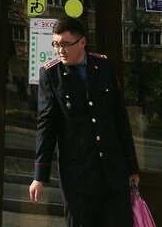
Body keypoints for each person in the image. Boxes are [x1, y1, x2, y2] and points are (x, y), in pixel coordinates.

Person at [29, 16, 140, 227]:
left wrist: (132, 167)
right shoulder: (51, 74)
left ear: (82, 42)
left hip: (112, 173)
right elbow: (46, 127)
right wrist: (39, 175)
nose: (60, 50)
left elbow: (120, 119)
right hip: (78, 178)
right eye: (55, 44)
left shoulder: (104, 66)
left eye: (65, 44)